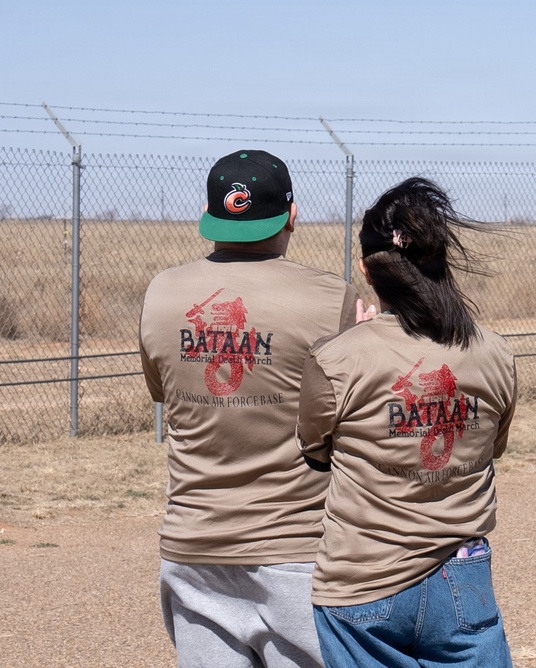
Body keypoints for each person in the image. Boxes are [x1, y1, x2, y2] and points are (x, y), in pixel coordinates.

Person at [139, 149, 365, 667]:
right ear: (291, 215)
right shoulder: (331, 297)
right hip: (296, 546)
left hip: (193, 544)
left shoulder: (162, 294)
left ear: (210, 213)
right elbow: (348, 416)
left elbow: (165, 391)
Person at [297, 177, 517, 668]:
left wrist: (354, 343)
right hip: (462, 576)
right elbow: (490, 448)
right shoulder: (495, 352)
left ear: (366, 271)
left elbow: (315, 450)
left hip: (360, 580)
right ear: (439, 262)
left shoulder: (337, 359)